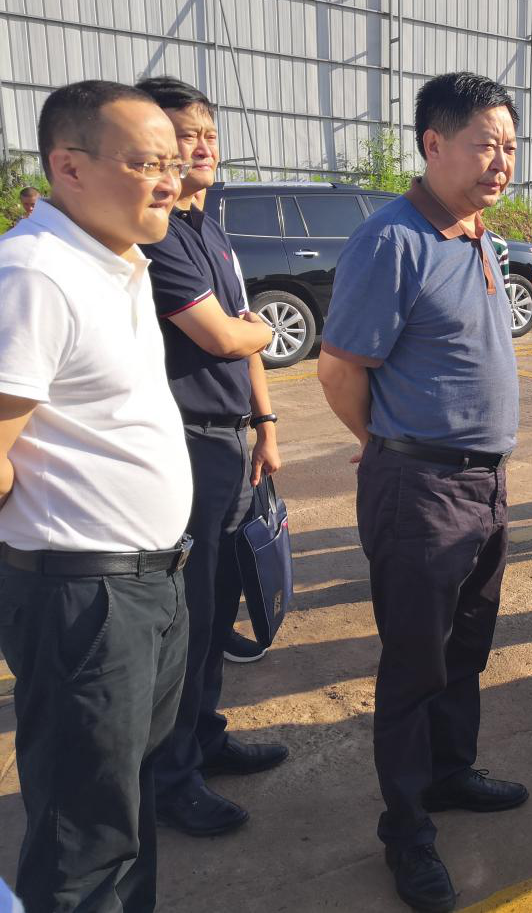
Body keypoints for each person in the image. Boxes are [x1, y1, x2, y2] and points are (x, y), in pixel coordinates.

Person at [317, 72, 528, 913]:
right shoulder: (392, 240)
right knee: (413, 664)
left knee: (464, 647)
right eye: (485, 145)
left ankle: (448, 773)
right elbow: (339, 369)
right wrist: (385, 447)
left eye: (509, 146)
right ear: (433, 144)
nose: (500, 161)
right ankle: (406, 829)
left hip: (485, 482)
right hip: (422, 487)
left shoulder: (476, 233)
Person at [0, 80, 194, 912]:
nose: (170, 181)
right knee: (83, 832)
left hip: (149, 583)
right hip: (84, 596)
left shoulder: (115, 263)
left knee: (126, 804)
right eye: (146, 163)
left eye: (173, 163)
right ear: (69, 167)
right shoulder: (34, 273)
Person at [135, 76, 289, 837]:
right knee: (188, 618)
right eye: (183, 135)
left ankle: (205, 736)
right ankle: (171, 775)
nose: (200, 147)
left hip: (231, 441)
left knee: (220, 604)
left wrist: (266, 424)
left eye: (207, 133)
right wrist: (254, 328)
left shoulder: (209, 228)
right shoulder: (158, 235)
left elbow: (245, 340)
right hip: (187, 445)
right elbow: (229, 335)